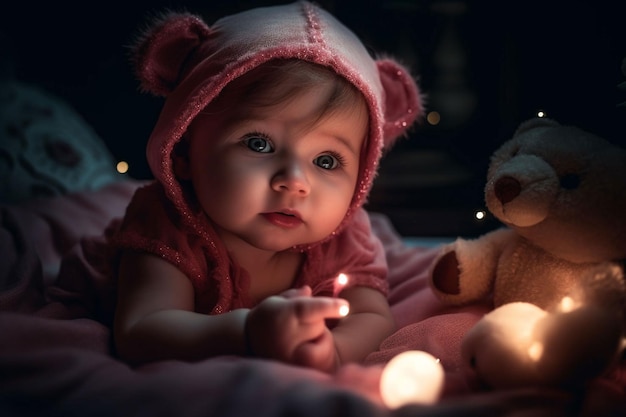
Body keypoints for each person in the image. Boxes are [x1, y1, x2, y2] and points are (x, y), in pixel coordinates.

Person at [111, 1, 423, 373]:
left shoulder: (344, 240)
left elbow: (372, 318)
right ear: (183, 151)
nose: (294, 181)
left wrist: (333, 351)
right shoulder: (171, 226)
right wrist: (246, 331)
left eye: (326, 161)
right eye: (258, 143)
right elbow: (141, 329)